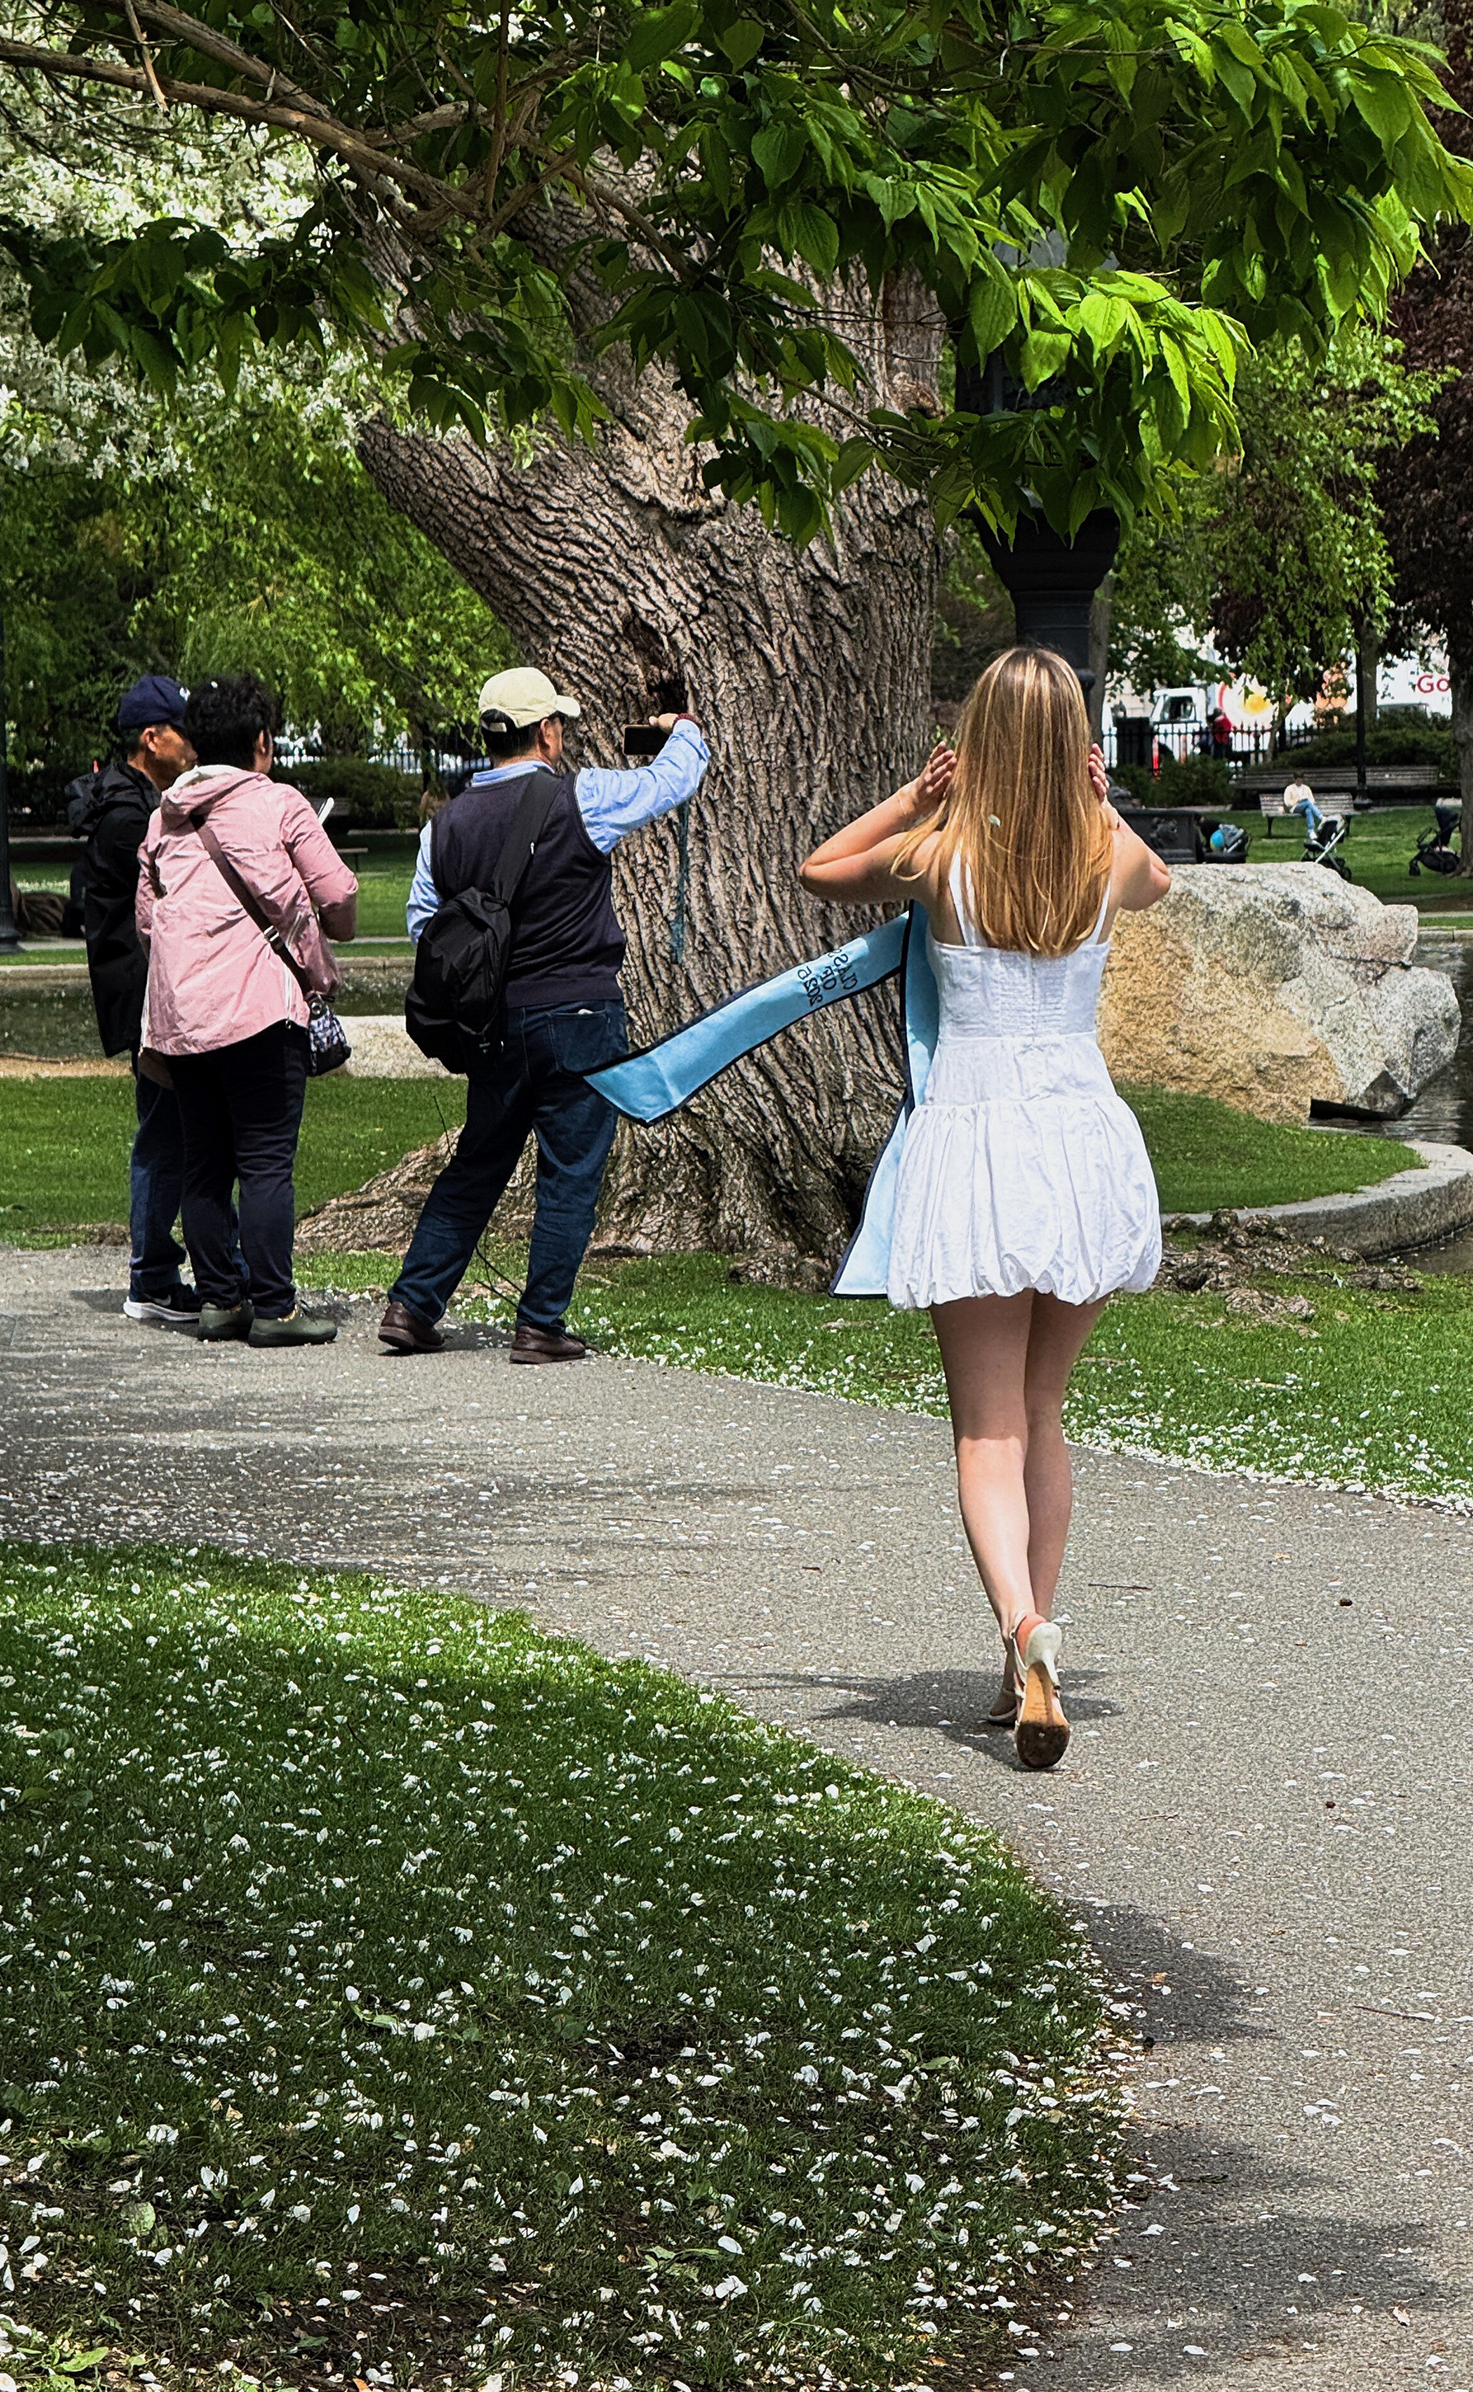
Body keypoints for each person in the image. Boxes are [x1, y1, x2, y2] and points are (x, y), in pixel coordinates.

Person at [799, 646, 1172, 1769]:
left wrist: (916, 795)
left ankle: (1021, 1629)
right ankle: (1028, 1664)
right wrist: (1100, 800)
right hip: (1082, 1138)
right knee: (1044, 1411)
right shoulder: (1110, 853)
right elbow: (1165, 877)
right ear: (1076, 746)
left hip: (976, 1135)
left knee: (985, 1425)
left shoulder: (940, 853)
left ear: (978, 746)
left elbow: (821, 870)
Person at [378, 667, 708, 1364]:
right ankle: (540, 1323)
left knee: (477, 1163)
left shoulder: (443, 829)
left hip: (495, 1024)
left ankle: (412, 1304)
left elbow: (422, 927)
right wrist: (685, 734)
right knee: (571, 1169)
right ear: (549, 731)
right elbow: (666, 786)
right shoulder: (580, 797)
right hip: (582, 1013)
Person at [135, 675, 358, 1347]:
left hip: (183, 1018)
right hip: (261, 1010)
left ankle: (219, 1300)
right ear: (262, 742)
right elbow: (341, 897)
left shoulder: (163, 817)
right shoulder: (279, 805)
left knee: (205, 1161)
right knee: (264, 1160)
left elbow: (149, 921)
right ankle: (276, 1307)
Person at [71, 674, 203, 1323]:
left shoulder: (131, 803)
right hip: (150, 995)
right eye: (183, 731)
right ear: (152, 739)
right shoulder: (132, 816)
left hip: (147, 989)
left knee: (172, 1127)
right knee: (165, 1129)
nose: (192, 743)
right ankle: (151, 1276)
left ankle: (165, 1267)